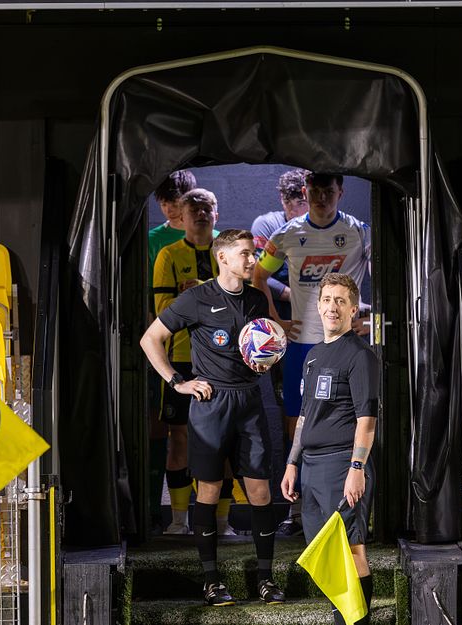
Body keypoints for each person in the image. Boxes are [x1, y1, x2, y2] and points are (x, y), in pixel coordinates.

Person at [141, 229, 285, 607]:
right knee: (208, 490)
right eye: (245, 254)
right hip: (211, 404)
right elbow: (150, 339)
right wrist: (178, 382)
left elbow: (264, 343)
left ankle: (266, 579)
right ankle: (211, 582)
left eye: (253, 253)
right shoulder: (196, 298)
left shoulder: (256, 298)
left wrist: (267, 359)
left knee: (260, 492)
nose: (252, 260)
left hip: (249, 402)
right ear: (222, 258)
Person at [253, 172, 370, 536]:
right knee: (298, 421)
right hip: (303, 346)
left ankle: (353, 503)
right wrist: (276, 320)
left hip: (347, 344)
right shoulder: (287, 233)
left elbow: (394, 270)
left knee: (356, 418)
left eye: (328, 191)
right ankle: (299, 509)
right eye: (315, 191)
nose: (321, 198)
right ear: (305, 192)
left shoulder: (359, 231)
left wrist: (370, 316)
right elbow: (258, 277)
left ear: (340, 192)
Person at [281, 273, 378, 625]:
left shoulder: (360, 356)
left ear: (353, 309)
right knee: (326, 555)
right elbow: (305, 416)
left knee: (351, 550)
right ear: (318, 306)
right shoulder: (313, 355)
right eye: (326, 300)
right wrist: (292, 462)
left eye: (340, 301)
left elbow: (367, 420)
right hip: (311, 468)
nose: (332, 307)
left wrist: (356, 468)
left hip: (342, 466)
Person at [153, 188, 233, 535]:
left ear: (216, 214)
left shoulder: (228, 253)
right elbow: (162, 313)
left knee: (223, 442)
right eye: (194, 210)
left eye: (207, 209)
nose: (201, 214)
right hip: (181, 359)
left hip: (224, 361)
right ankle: (178, 521)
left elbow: (238, 305)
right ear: (181, 217)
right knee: (180, 438)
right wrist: (210, 296)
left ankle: (222, 523)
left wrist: (196, 291)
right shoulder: (169, 255)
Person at [146, 170, 198, 535]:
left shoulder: (215, 240)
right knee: (165, 431)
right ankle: (163, 514)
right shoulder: (155, 242)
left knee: (216, 439)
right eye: (164, 202)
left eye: (176, 201)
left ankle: (216, 520)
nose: (170, 209)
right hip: (168, 349)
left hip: (212, 354)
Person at [251, 169, 309, 320]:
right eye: (287, 202)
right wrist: (292, 295)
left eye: (301, 203)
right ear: (281, 199)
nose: (292, 210)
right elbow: (255, 275)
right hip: (277, 311)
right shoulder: (266, 225)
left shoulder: (327, 230)